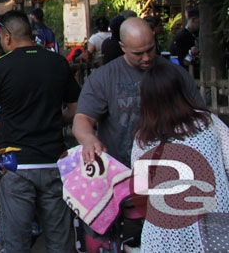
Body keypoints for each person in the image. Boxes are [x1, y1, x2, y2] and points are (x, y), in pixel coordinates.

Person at [0, 10, 79, 253]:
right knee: (60, 242)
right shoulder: (58, 63)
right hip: (54, 162)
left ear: (7, 37)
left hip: (16, 164)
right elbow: (75, 109)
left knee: (15, 243)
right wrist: (57, 120)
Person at [73, 17, 203, 168]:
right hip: (122, 172)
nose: (146, 58)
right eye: (138, 53)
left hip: (172, 169)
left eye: (150, 50)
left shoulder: (175, 74)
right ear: (123, 46)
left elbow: (200, 116)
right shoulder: (104, 78)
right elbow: (83, 119)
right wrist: (89, 139)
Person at [130, 62, 229, 250]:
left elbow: (141, 189)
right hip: (215, 226)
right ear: (181, 91)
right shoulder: (208, 124)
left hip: (165, 234)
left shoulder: (143, 140)